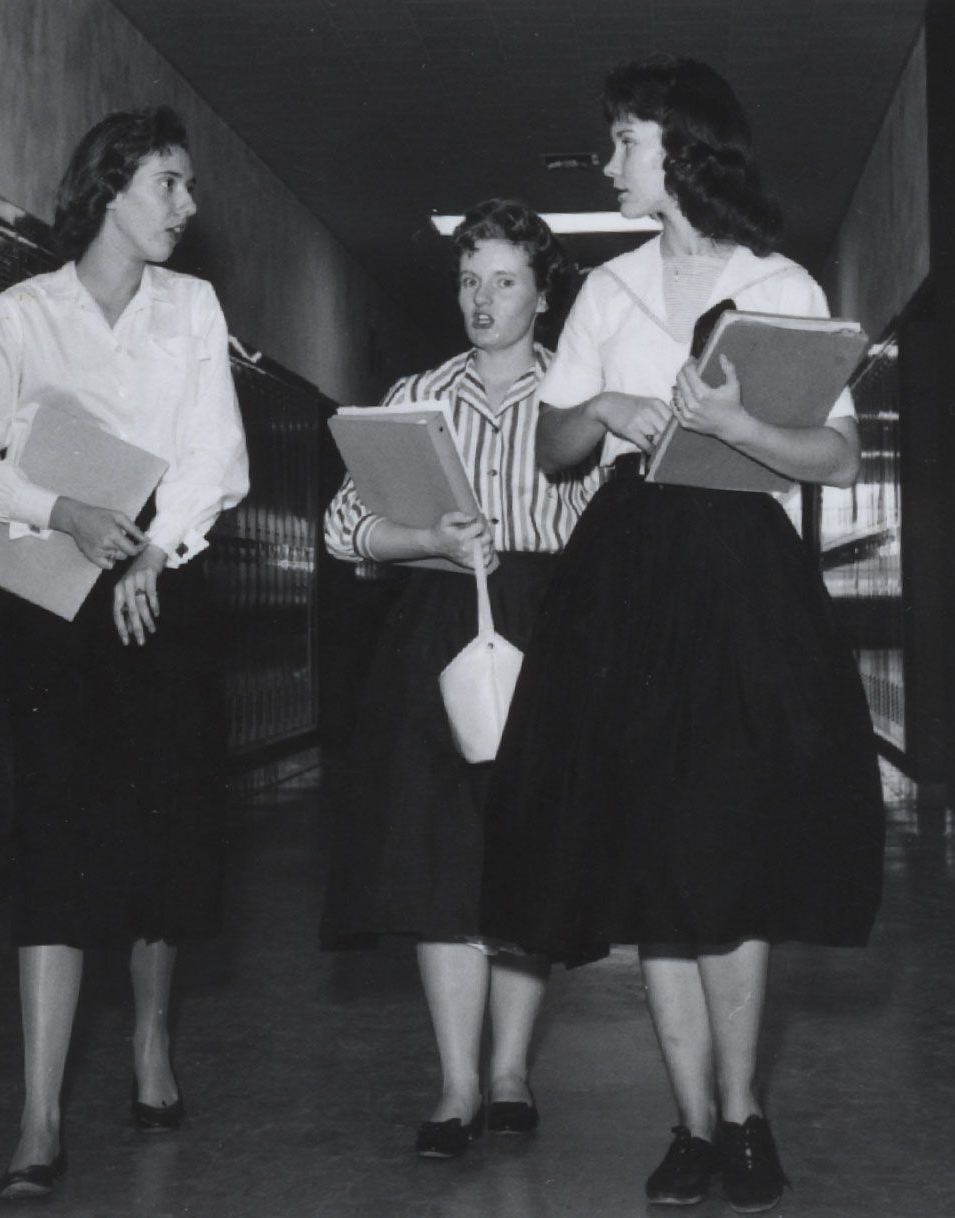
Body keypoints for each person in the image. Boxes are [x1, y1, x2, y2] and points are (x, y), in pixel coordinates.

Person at [478, 58, 884, 1213]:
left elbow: (839, 456)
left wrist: (741, 421)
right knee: (655, 850)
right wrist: (603, 408)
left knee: (727, 850)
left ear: (684, 152)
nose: (609, 164)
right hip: (627, 581)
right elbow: (555, 448)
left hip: (742, 582)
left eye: (625, 143)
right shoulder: (606, 294)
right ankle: (693, 1127)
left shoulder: (783, 287)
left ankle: (747, 1116)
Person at [0, 106, 249, 1201]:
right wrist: (60, 508)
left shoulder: (193, 309)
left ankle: (152, 1047)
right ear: (111, 187)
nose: (187, 206)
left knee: (165, 833)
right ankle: (38, 1117)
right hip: (54, 595)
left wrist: (157, 557)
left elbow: (215, 454)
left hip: (162, 582)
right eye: (170, 183)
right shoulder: (21, 318)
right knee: (60, 842)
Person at [321, 199, 600, 1158]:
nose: (482, 301)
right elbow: (341, 526)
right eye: (468, 280)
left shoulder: (578, 392)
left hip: (550, 627)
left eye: (504, 281)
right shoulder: (416, 392)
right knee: (438, 856)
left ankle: (513, 1070)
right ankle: (455, 1082)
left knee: (520, 850)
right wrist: (424, 539)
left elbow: (617, 534)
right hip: (441, 623)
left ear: (542, 289)